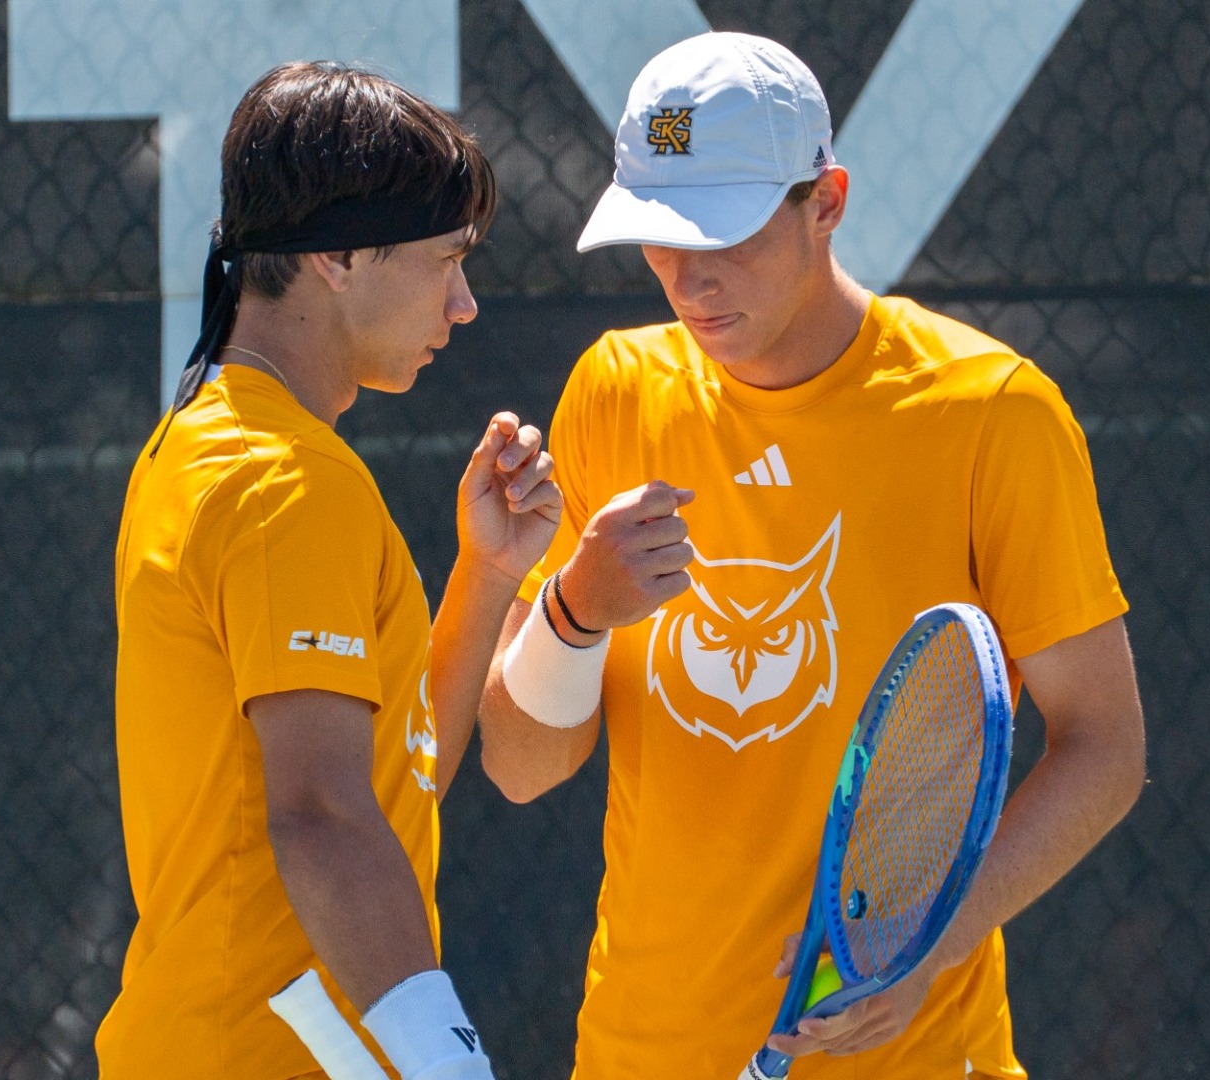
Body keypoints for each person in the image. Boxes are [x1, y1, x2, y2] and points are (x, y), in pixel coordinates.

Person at [480, 32, 1146, 1079]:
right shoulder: (614, 390)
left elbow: (1107, 748)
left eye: (727, 234)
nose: (689, 281)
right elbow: (520, 768)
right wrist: (572, 613)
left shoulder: (993, 414)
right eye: (660, 238)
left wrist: (930, 945)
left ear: (825, 201)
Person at [100, 62, 559, 1080]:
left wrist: (487, 577)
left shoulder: (201, 439)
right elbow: (322, 817)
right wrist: (448, 1065)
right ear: (341, 258)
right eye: (447, 260)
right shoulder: (285, 483)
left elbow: (392, 782)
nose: (467, 302)